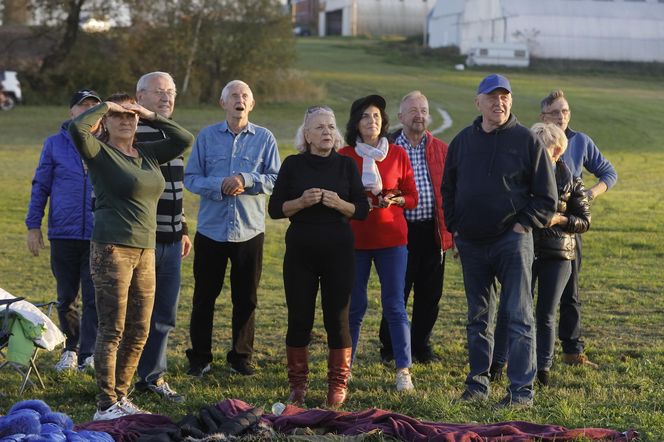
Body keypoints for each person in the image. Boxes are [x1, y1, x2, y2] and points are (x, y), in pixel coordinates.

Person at [69, 93, 194, 420]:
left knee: (139, 329)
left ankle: (121, 396)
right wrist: (106, 106)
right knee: (113, 329)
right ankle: (105, 403)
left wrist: (150, 114)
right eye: (119, 116)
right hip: (112, 249)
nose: (126, 121)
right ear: (106, 122)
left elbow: (184, 138)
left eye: (131, 116)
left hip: (146, 250)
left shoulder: (149, 153)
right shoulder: (100, 152)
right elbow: (76, 129)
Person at [441, 74, 557, 407]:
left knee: (519, 316)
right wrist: (456, 228)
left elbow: (546, 197)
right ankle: (478, 385)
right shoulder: (463, 141)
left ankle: (521, 392)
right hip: (472, 243)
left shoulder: (526, 141)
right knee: (478, 317)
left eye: (505, 96)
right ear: (478, 102)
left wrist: (523, 225)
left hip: (512, 241)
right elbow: (448, 189)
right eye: (492, 97)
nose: (499, 102)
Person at [268, 106, 369, 408]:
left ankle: (337, 385)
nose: (328, 132)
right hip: (301, 251)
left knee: (337, 319)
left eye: (331, 127)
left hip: (339, 250)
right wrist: (300, 202)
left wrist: (340, 203)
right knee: (299, 318)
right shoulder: (293, 164)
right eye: (320, 128)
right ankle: (297, 386)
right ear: (307, 134)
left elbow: (362, 210)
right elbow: (275, 209)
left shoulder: (347, 165)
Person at [184, 80, 281, 377]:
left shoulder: (265, 138)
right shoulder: (207, 137)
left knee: (246, 298)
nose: (240, 100)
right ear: (223, 103)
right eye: (234, 96)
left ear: (251, 104)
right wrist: (220, 186)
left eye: (245, 96)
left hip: (249, 232)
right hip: (211, 231)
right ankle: (200, 357)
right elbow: (190, 178)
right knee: (204, 296)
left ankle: (240, 357)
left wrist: (245, 179)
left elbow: (277, 179)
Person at [338, 94, 418, 392]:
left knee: (395, 305)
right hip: (355, 241)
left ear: (383, 122)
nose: (371, 121)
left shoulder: (397, 154)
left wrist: (395, 198)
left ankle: (403, 371)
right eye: (365, 117)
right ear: (355, 124)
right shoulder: (345, 155)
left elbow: (412, 197)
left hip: (392, 240)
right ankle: (343, 371)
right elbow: (339, 196)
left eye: (376, 117)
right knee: (355, 307)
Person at [540, 89, 617, 368]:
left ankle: (572, 351)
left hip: (568, 232)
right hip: (535, 231)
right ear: (543, 116)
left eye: (566, 111)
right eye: (556, 112)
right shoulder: (533, 139)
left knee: (570, 293)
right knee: (525, 293)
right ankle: (519, 350)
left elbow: (609, 173)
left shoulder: (580, 141)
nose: (561, 117)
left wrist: (590, 194)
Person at [25, 89, 100, 373]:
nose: (88, 110)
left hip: (98, 233)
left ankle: (89, 353)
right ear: (72, 112)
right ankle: (71, 348)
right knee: (67, 295)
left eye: (95, 106)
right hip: (63, 232)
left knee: (94, 296)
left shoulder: (106, 143)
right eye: (83, 106)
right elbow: (40, 186)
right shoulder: (54, 144)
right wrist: (33, 226)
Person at [378, 91, 453, 364]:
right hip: (399, 232)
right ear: (400, 117)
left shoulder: (441, 150)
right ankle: (390, 347)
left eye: (423, 110)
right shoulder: (386, 148)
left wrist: (451, 233)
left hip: (432, 232)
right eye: (413, 110)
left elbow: (451, 192)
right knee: (397, 292)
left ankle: (421, 345)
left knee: (430, 294)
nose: (419, 115)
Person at [133, 72, 191, 403]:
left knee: (164, 313)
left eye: (171, 92)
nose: (167, 97)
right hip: (142, 240)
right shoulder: (132, 134)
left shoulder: (172, 133)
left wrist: (182, 227)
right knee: (134, 311)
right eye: (159, 92)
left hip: (172, 240)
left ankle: (152, 376)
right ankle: (121, 377)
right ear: (140, 97)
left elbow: (174, 190)